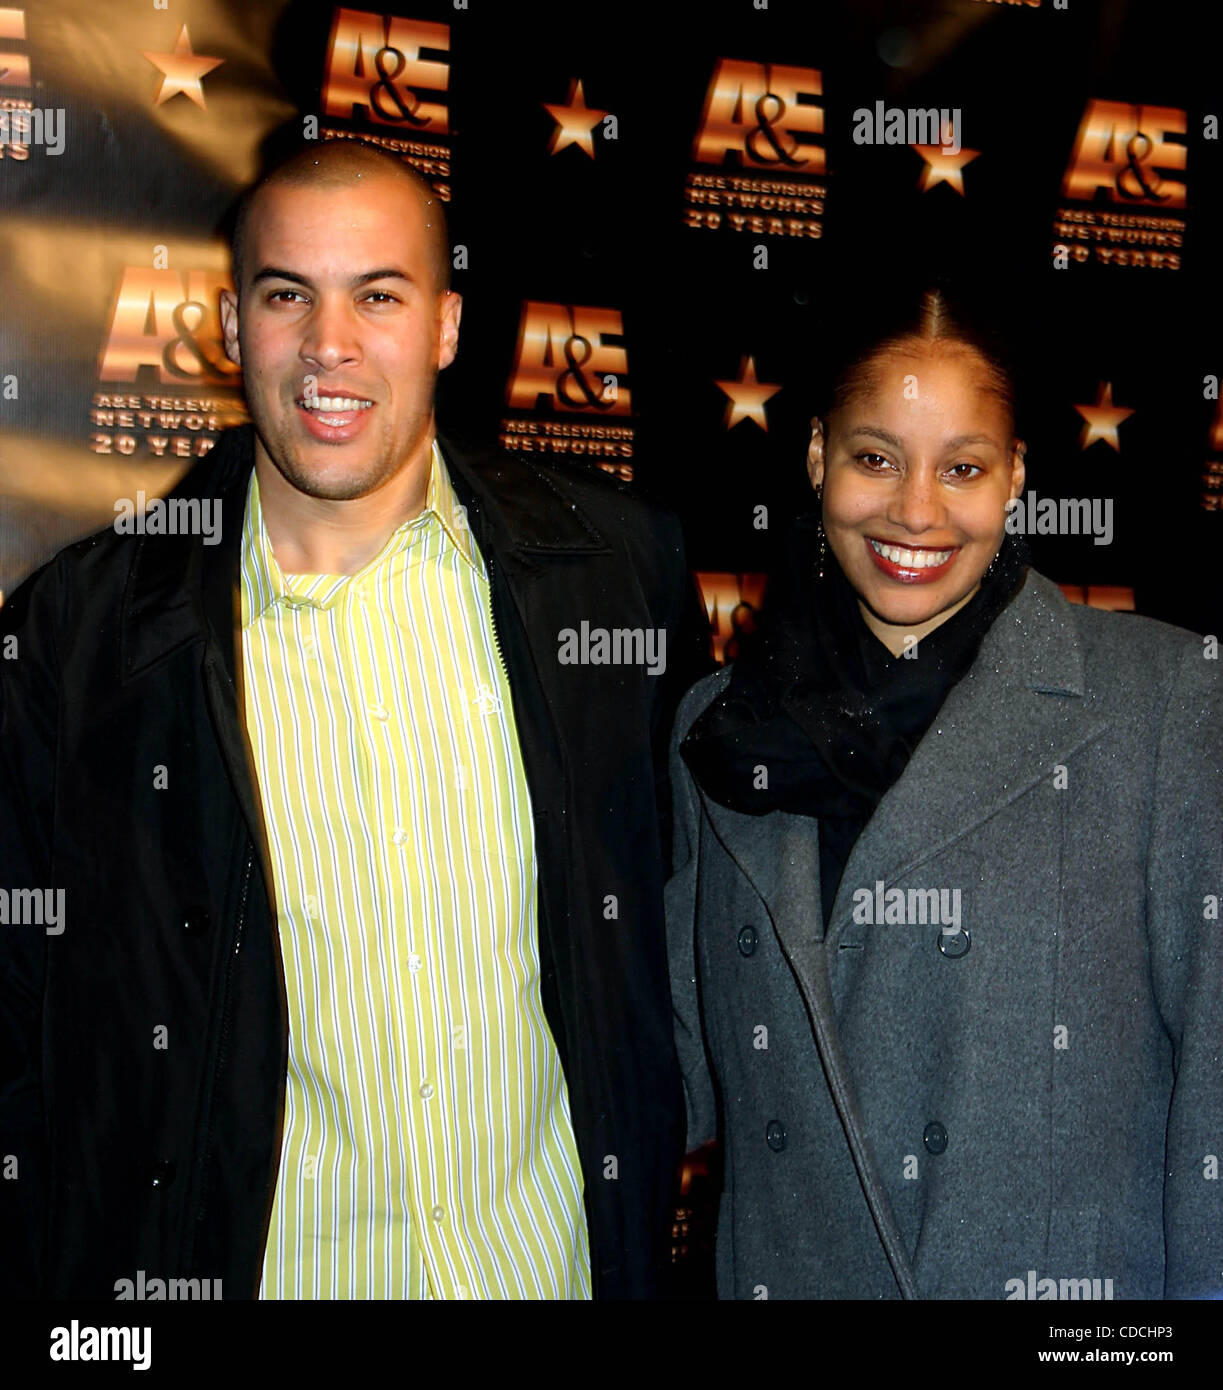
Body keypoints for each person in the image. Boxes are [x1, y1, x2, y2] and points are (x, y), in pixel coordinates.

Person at [0, 139, 708, 1300]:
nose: (330, 345)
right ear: (232, 326)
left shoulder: (609, 576)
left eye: (378, 295)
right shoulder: (85, 640)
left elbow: (682, 920)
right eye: (289, 295)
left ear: (444, 324)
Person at [665, 279, 1223, 1300]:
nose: (914, 509)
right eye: (874, 457)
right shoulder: (718, 726)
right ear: (814, 455)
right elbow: (670, 1074)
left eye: (960, 467)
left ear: (1013, 477)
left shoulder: (1161, 703)